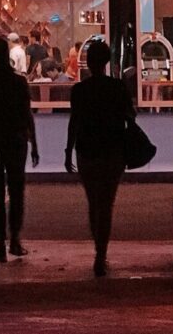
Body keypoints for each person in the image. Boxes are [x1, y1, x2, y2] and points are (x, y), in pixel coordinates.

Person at [64, 39, 136, 277]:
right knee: (107, 202)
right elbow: (131, 115)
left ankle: (99, 249)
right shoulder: (117, 87)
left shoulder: (79, 90)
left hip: (86, 150)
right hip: (113, 150)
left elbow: (74, 123)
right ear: (106, 61)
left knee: (93, 201)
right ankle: (101, 254)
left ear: (88, 61)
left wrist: (67, 151)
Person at [0, 37, 39, 263]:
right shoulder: (18, 82)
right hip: (16, 140)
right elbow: (26, 113)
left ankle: (0, 245)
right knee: (16, 191)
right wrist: (34, 142)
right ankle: (15, 239)